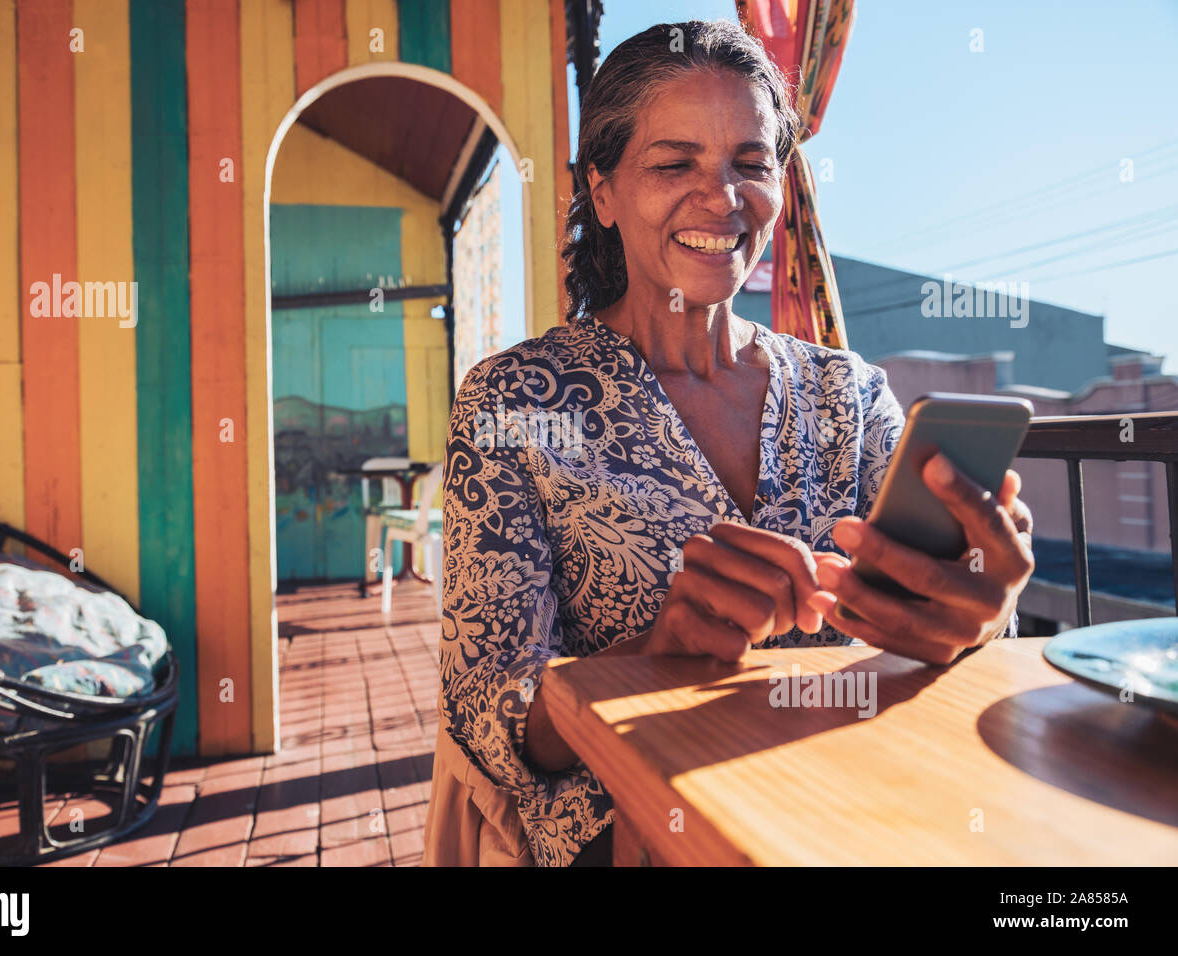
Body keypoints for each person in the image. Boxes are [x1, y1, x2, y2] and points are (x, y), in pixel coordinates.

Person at [427, 19, 1034, 868]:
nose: (722, 198)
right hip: (634, 836)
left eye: (751, 163)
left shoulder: (847, 394)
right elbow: (490, 720)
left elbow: (942, 616)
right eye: (674, 164)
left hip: (857, 808)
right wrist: (649, 654)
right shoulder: (515, 400)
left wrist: (982, 605)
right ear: (601, 192)